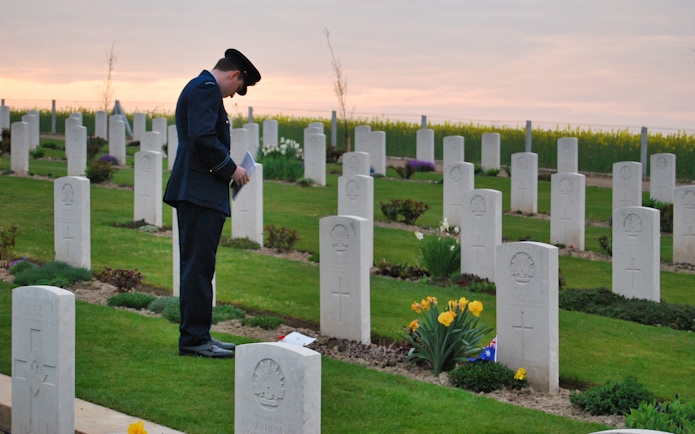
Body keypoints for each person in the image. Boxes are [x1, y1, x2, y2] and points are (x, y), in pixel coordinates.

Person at [163, 48, 261, 358]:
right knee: (198, 268)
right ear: (234, 75)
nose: (234, 96)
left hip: (198, 190)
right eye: (238, 89)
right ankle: (194, 340)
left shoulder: (199, 87)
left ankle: (199, 334)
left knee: (201, 267)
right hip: (199, 191)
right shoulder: (206, 89)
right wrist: (232, 169)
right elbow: (204, 137)